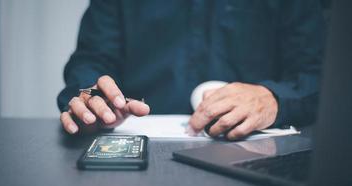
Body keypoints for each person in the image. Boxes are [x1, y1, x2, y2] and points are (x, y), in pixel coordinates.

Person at [58, 0, 326, 140]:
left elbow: (320, 73)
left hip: (258, 149)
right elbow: (91, 60)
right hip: (135, 145)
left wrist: (274, 98)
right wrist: (92, 98)